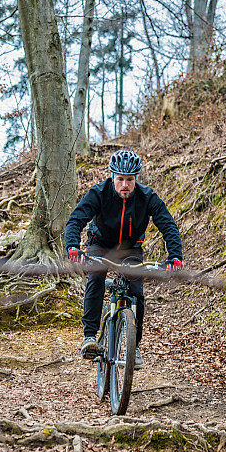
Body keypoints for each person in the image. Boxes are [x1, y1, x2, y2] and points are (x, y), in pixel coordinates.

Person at [64, 150, 183, 369]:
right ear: (113, 178)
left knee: (136, 292)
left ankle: (133, 346)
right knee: (96, 277)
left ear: (136, 179)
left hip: (130, 248)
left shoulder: (147, 197)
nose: (125, 185)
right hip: (101, 244)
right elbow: (76, 219)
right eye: (120, 179)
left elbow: (168, 225)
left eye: (130, 180)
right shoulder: (98, 193)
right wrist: (73, 246)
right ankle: (90, 337)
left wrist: (175, 255)